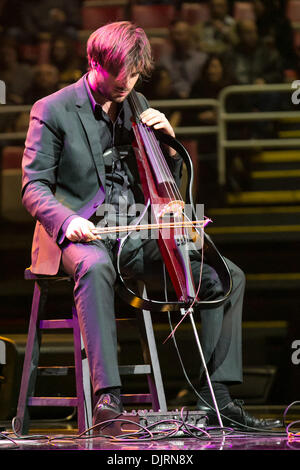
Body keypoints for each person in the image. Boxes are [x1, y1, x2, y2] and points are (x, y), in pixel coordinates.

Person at [21, 21, 281, 431]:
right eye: (118, 76)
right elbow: (33, 186)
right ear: (94, 62)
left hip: (135, 232)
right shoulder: (52, 109)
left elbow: (160, 180)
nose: (127, 84)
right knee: (95, 267)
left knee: (225, 275)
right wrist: (67, 220)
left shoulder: (136, 102)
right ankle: (108, 400)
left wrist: (169, 143)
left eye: (135, 75)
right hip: (81, 235)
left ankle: (219, 395)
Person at [158, 20, 207, 98]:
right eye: (175, 34)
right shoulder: (164, 62)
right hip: (172, 101)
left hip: (197, 100)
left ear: (190, 35)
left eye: (181, 34)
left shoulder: (201, 59)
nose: (177, 38)